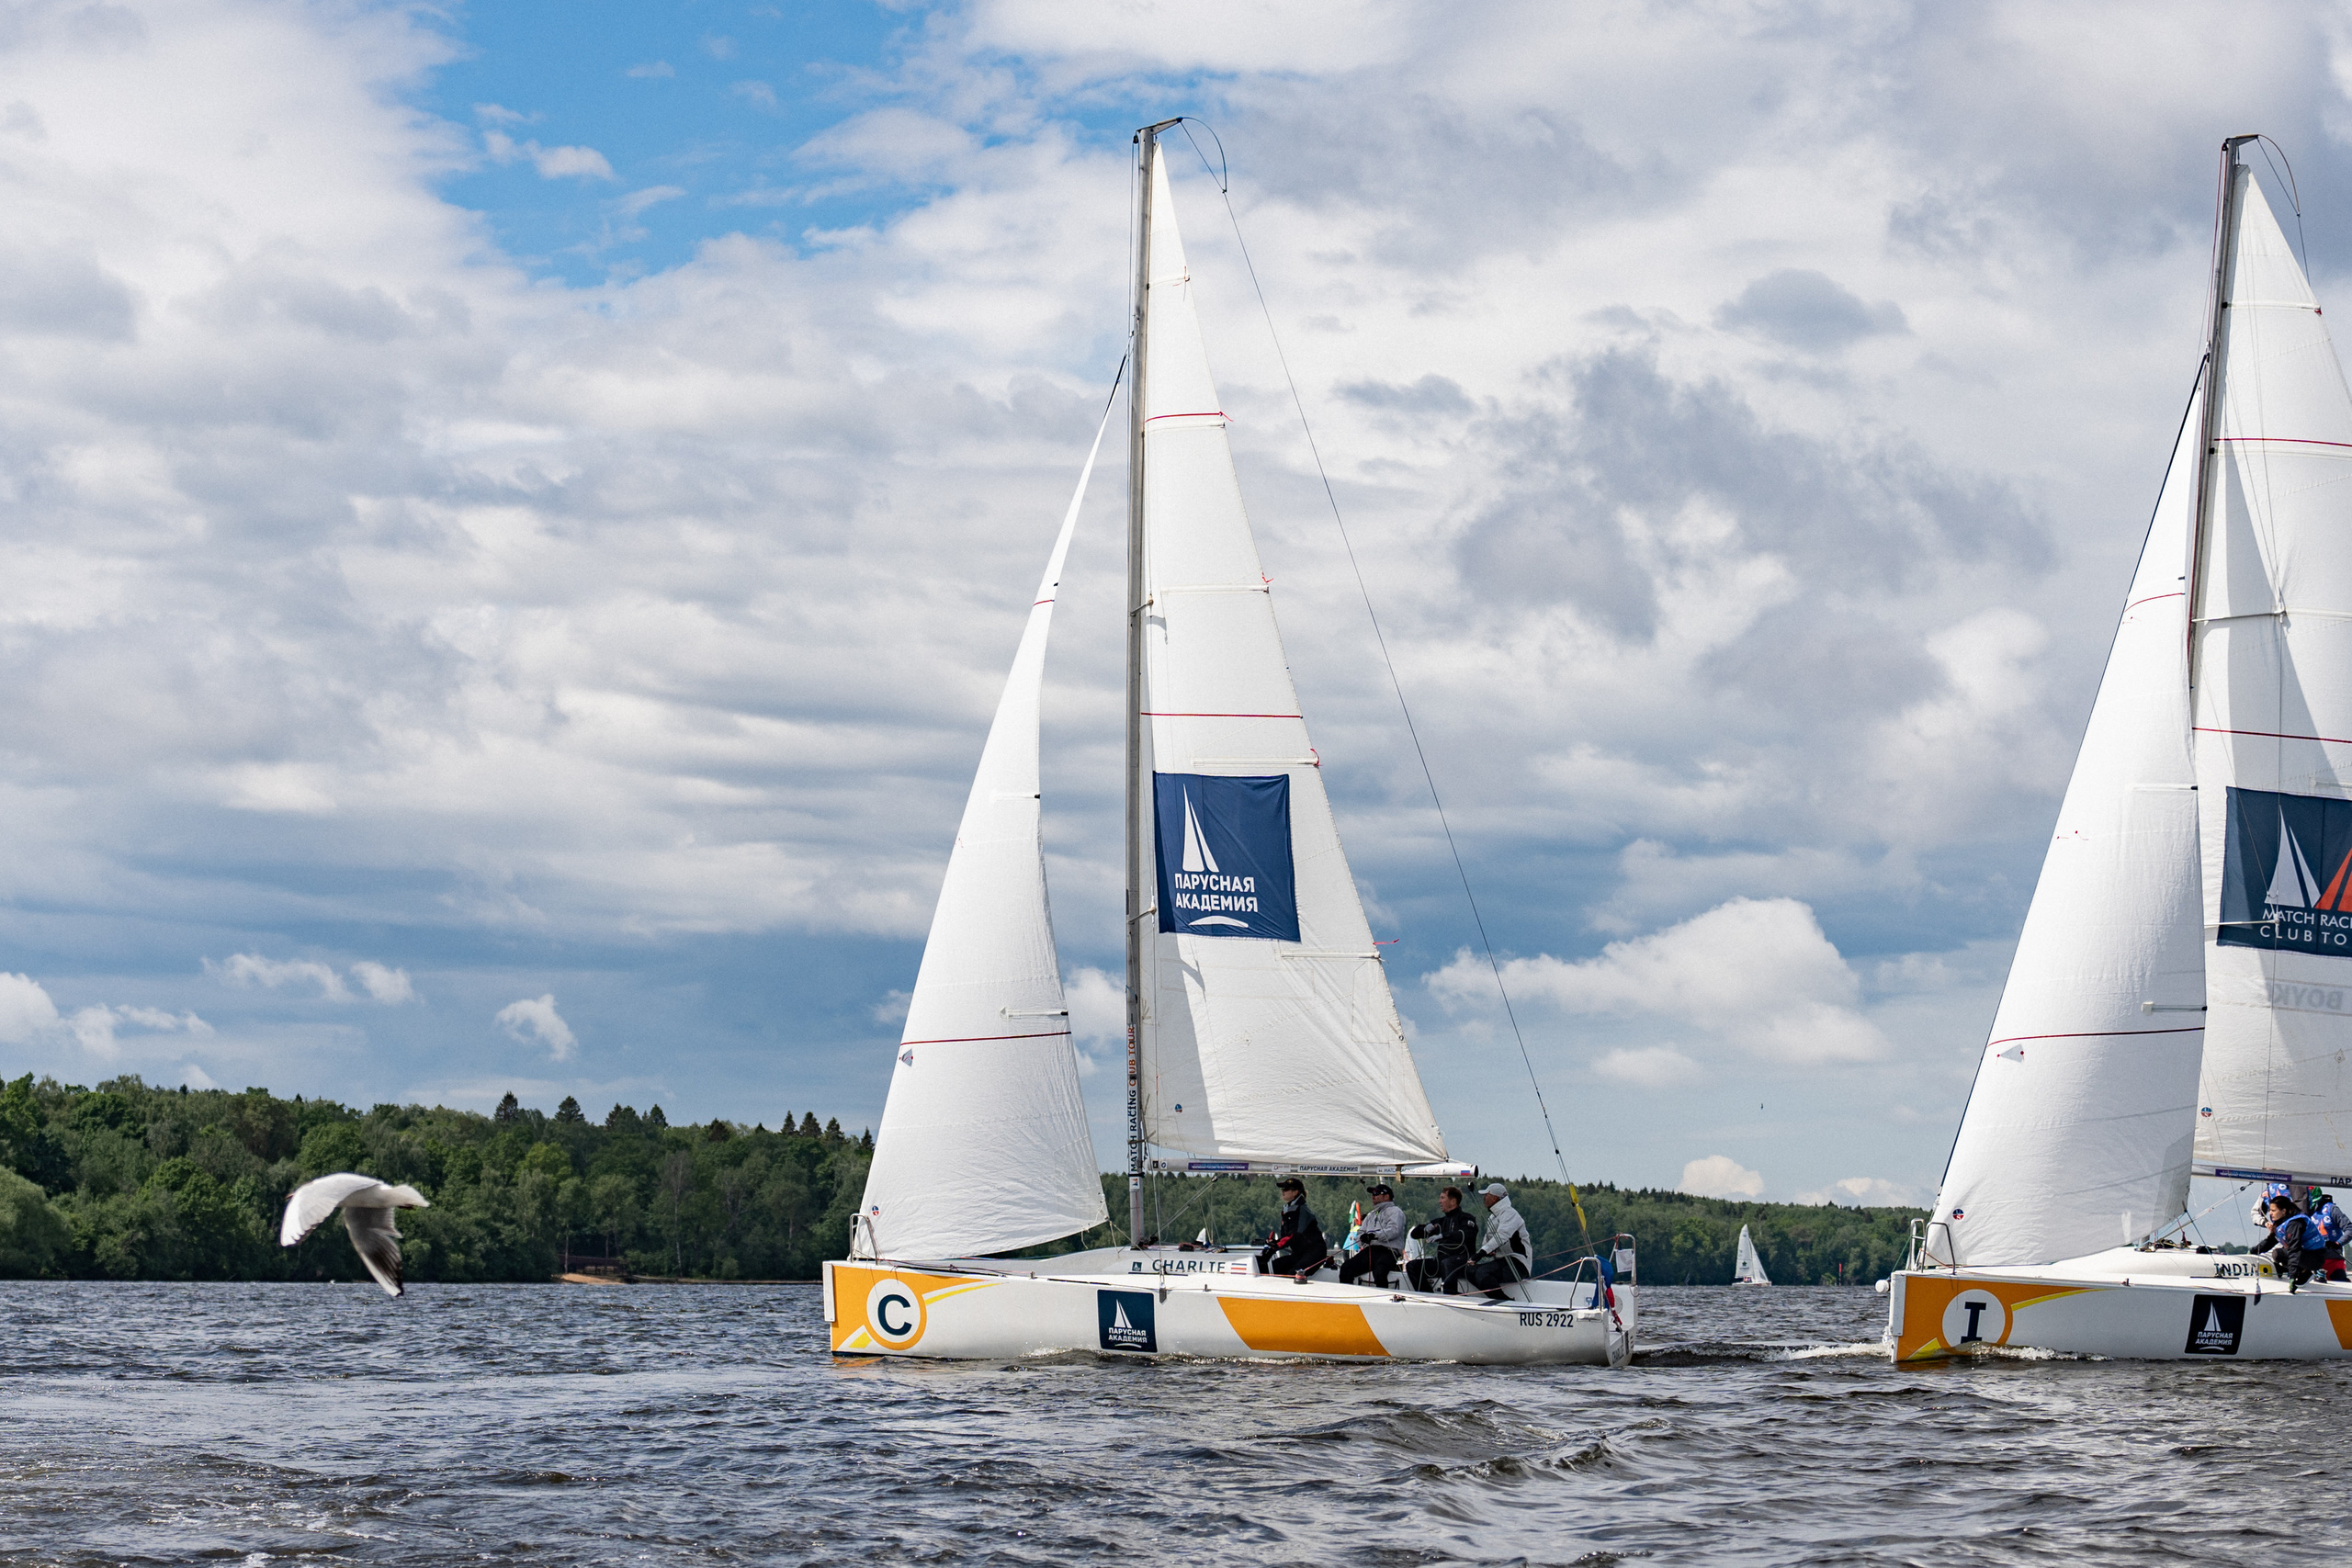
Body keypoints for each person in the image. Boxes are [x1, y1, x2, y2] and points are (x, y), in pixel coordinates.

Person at [1465, 1181, 1532, 1301]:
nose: (1484, 1198)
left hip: (1518, 1264)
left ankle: (1505, 1301)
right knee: (1469, 1271)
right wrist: (1484, 1251)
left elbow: (1502, 1236)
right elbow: (1489, 1241)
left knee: (1482, 1273)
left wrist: (1481, 1254)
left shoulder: (1509, 1214)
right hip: (1502, 1262)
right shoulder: (1493, 1217)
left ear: (1494, 1198)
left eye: (1486, 1195)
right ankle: (1492, 1297)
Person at [1408, 1186, 1480, 1293]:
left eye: (1442, 1198)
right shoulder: (1440, 1222)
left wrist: (1443, 1236)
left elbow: (1467, 1234)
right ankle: (1427, 1295)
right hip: (1441, 1261)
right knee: (1412, 1266)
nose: (1439, 1201)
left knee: (1447, 1263)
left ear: (1453, 1201)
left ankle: (1450, 1295)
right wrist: (1424, 1228)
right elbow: (1414, 1234)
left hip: (1462, 1261)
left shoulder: (1466, 1218)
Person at [1258, 1178, 1329, 1279]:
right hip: (1300, 1253)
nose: (1282, 1191)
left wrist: (1276, 1245)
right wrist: (1273, 1244)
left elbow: (1295, 1235)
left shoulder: (1302, 1210)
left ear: (1295, 1192)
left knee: (1293, 1273)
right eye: (1282, 1189)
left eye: (1286, 1189)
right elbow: (1285, 1236)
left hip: (1315, 1252)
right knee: (1274, 1267)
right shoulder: (1287, 1210)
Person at [2254, 1193, 2327, 1291]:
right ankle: (2291, 1270)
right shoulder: (2282, 1223)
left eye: (2273, 1210)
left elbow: (2294, 1250)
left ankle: (2305, 1273)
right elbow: (2270, 1242)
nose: (2270, 1213)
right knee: (2278, 1254)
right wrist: (2253, 1252)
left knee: (2278, 1254)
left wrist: (2292, 1276)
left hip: (2315, 1258)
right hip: (2303, 1255)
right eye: (2270, 1210)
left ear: (2284, 1211)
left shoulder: (2295, 1224)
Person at [1339, 1183, 1407, 1288]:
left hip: (1389, 1251)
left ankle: (1383, 1300)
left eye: (1376, 1193)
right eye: (1372, 1194)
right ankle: (1348, 1297)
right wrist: (1362, 1239)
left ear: (1386, 1196)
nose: (1373, 1196)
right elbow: (1360, 1232)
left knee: (1379, 1272)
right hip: (1370, 1250)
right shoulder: (1371, 1215)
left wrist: (1374, 1235)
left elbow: (1394, 1230)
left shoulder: (1396, 1212)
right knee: (1346, 1268)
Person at [2311, 1189, 2349, 1282]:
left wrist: (2338, 1243)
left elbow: (2349, 1228)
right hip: (2312, 1262)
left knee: (2341, 1286)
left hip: (2334, 1260)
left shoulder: (2332, 1209)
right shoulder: (2303, 1212)